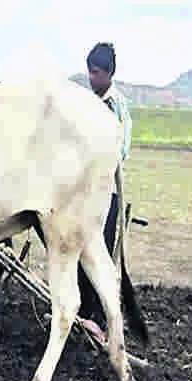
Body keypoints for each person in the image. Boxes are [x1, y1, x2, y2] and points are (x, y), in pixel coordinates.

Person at [78, 41, 133, 339]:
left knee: (100, 254)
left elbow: (121, 149)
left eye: (96, 72)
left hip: (106, 192)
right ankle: (83, 313)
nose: (91, 77)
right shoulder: (88, 102)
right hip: (83, 192)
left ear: (109, 73)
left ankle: (100, 318)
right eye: (89, 71)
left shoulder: (116, 105)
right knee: (79, 252)